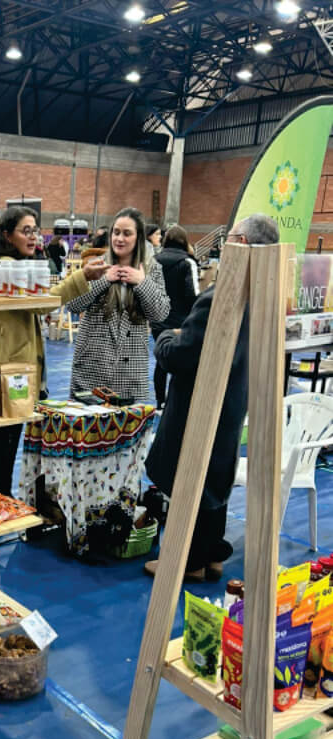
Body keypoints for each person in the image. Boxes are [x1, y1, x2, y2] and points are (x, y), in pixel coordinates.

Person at [144, 213, 279, 582]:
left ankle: (188, 561)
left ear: (242, 244)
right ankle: (212, 554)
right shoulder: (265, 294)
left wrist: (165, 338)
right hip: (235, 400)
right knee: (216, 476)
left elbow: (183, 355)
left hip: (201, 403)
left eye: (230, 237)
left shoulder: (224, 294)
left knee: (189, 474)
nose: (224, 245)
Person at [52, 206, 169, 403]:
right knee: (88, 431)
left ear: (138, 237)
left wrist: (142, 282)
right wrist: (103, 280)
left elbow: (160, 314)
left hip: (130, 373)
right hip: (91, 370)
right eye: (116, 232)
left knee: (127, 432)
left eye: (126, 233)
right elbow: (73, 306)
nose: (119, 239)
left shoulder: (152, 269)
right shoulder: (96, 265)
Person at [0, 206, 47, 495]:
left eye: (35, 230)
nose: (33, 236)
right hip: (10, 370)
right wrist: (82, 277)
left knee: (3, 444)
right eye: (26, 230)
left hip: (13, 368)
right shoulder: (9, 267)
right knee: (3, 444)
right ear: (8, 236)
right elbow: (41, 304)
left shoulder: (15, 264)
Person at [151, 224, 200, 408]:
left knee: (161, 360)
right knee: (182, 361)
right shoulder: (188, 262)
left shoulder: (154, 261)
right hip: (181, 322)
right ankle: (178, 402)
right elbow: (193, 294)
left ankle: (160, 401)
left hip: (158, 320)